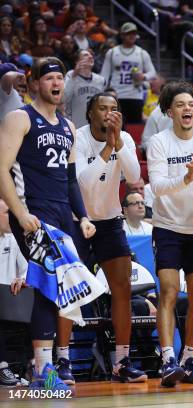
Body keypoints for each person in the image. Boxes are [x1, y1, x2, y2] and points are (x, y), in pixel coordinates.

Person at [0, 57, 96, 389]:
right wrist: (20, 212)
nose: (56, 83)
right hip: (32, 212)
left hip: (60, 215)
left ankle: (40, 365)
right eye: (49, 78)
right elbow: (1, 169)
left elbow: (70, 180)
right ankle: (43, 368)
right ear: (35, 82)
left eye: (60, 78)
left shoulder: (68, 126)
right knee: (47, 284)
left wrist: (82, 215)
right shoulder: (19, 118)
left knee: (56, 289)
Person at [53, 92, 145, 384]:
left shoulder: (124, 138)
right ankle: (63, 360)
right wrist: (108, 149)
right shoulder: (76, 137)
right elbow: (83, 182)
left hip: (109, 222)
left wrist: (119, 144)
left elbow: (133, 177)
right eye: (102, 108)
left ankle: (122, 361)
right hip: (77, 221)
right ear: (90, 113)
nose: (108, 113)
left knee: (122, 289)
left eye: (113, 109)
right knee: (71, 288)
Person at [147, 81, 193, 387]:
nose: (187, 108)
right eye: (180, 104)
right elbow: (158, 187)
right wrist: (187, 177)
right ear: (169, 111)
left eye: (190, 104)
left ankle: (189, 358)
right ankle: (167, 360)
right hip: (167, 227)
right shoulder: (159, 142)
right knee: (168, 290)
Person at [100, 22, 156, 124]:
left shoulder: (142, 53)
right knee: (115, 126)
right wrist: (103, 94)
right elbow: (104, 76)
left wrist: (143, 76)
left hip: (135, 96)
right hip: (116, 95)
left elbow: (152, 72)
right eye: (128, 33)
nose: (132, 36)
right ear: (122, 35)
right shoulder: (112, 53)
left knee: (134, 128)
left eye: (134, 33)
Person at [0, 199, 28, 387]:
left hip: (12, 298)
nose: (10, 218)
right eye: (6, 213)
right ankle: (2, 367)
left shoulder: (13, 239)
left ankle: (32, 366)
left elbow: (27, 269)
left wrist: (23, 278)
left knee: (40, 303)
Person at [63, 49, 106, 128]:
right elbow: (63, 99)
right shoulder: (70, 75)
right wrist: (73, 77)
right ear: (77, 61)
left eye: (91, 55)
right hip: (75, 125)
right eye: (86, 55)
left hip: (94, 126)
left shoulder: (100, 80)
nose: (90, 57)